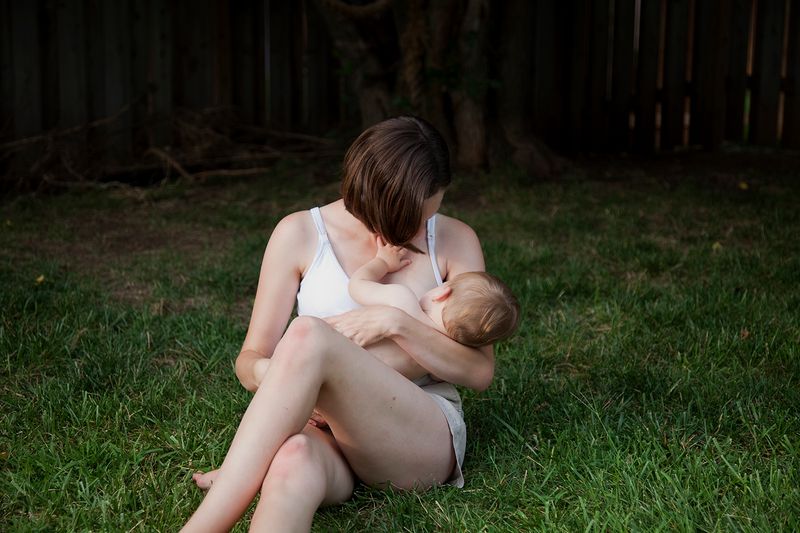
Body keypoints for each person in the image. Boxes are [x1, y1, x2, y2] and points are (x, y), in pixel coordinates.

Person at [182, 116, 504, 532]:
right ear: (376, 199)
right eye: (411, 217)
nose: (420, 228)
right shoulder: (299, 233)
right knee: (292, 462)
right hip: (324, 430)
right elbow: (249, 361)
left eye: (431, 211)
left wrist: (396, 323)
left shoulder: (454, 240)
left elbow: (479, 371)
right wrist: (291, 376)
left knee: (309, 334)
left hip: (413, 433)